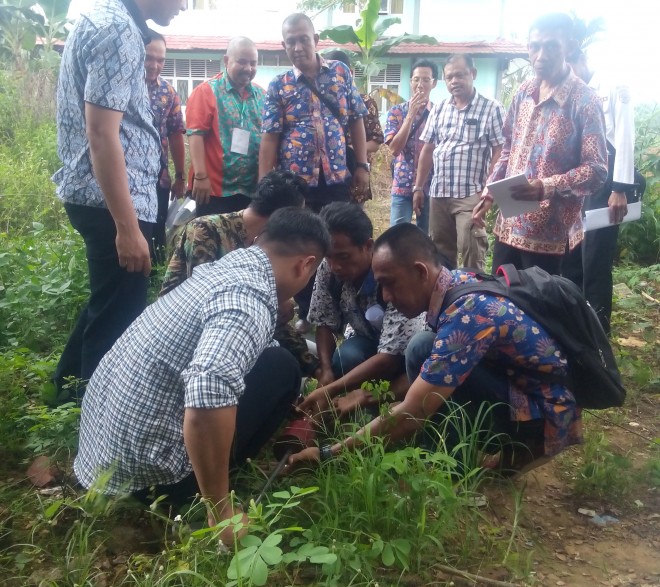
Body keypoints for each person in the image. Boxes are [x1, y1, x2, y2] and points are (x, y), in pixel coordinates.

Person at [74, 207, 330, 542]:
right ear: (306, 264)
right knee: (282, 368)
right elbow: (208, 391)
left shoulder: (222, 270)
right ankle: (200, 494)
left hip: (102, 462)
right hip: (153, 480)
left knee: (269, 358)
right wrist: (220, 510)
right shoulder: (248, 296)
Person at [289, 224, 582, 473]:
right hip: (527, 391)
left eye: (390, 284)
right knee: (424, 350)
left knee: (421, 351)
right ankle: (475, 445)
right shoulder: (457, 282)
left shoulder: (467, 315)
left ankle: (459, 462)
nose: (387, 297)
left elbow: (414, 408)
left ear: (419, 271)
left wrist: (329, 454)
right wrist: (365, 396)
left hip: (546, 415)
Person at [52, 0, 196, 396]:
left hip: (99, 194)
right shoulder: (118, 29)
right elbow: (101, 134)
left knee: (108, 300)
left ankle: (65, 389)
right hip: (110, 199)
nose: (184, 3)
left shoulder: (106, 17)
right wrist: (128, 227)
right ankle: (96, 429)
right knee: (119, 319)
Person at [259, 13, 370, 329]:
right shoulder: (279, 85)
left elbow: (356, 120)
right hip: (299, 184)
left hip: (337, 179)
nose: (297, 46)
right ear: (283, 45)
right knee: (303, 246)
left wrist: (362, 166)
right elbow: (269, 139)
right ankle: (310, 313)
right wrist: (265, 190)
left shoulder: (339, 73)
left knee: (341, 242)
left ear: (315, 39)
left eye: (303, 39)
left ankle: (349, 310)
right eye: (290, 41)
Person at [474, 13, 607, 274]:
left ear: (568, 47)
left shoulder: (585, 101)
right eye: (535, 46)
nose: (541, 55)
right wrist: (490, 192)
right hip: (509, 228)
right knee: (504, 302)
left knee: (543, 311)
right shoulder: (524, 92)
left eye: (551, 46)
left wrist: (545, 187)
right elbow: (509, 149)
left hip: (553, 239)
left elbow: (596, 170)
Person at [159, 170, 318, 376]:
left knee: (300, 362)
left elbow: (270, 317)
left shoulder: (266, 244)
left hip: (233, 333)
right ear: (283, 214)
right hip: (188, 342)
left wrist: (314, 367)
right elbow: (207, 310)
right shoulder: (205, 230)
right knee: (280, 366)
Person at [299, 203, 424, 419]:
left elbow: (391, 356)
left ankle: (385, 397)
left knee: (411, 363)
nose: (335, 266)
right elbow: (324, 321)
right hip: (367, 341)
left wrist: (332, 388)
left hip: (407, 352)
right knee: (344, 359)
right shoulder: (329, 269)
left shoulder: (390, 275)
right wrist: (327, 370)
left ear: (368, 246)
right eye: (328, 257)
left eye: (343, 257)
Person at [562, 48, 636, 333]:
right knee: (571, 255)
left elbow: (625, 136)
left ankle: (598, 333)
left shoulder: (615, 86)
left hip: (607, 179)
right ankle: (575, 327)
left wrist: (620, 188)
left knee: (594, 259)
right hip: (578, 179)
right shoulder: (573, 91)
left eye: (570, 67)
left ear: (579, 58)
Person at [413, 54, 504, 270]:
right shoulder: (439, 109)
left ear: (473, 74)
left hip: (470, 194)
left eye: (460, 75)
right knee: (440, 255)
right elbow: (427, 149)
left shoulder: (491, 108)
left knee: (472, 250)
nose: (454, 81)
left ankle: (473, 297)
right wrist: (418, 187)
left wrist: (489, 190)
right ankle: (446, 299)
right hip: (439, 194)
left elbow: (500, 151)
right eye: (449, 77)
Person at [187, 36, 264, 216]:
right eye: (242, 62)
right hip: (212, 189)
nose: (248, 68)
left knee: (244, 242)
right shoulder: (206, 91)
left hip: (250, 190)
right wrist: (200, 176)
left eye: (253, 63)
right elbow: (195, 135)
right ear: (226, 61)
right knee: (212, 240)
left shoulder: (262, 96)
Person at [144, 30, 186, 258]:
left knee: (156, 231)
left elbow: (176, 133)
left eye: (160, 60)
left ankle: (154, 283)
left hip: (157, 176)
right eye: (148, 58)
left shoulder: (168, 92)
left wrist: (180, 177)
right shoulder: (121, 88)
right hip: (123, 176)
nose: (154, 65)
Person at [384, 59, 439, 232]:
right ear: (410, 81)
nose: (420, 85)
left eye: (425, 80)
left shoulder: (440, 113)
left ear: (434, 83)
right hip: (402, 183)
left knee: (427, 240)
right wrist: (410, 115)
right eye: (416, 79)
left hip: (431, 185)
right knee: (398, 236)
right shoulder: (396, 112)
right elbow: (393, 150)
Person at [331, 50, 384, 202]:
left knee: (350, 221)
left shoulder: (365, 102)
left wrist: (351, 151)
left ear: (350, 73)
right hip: (326, 179)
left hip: (355, 172)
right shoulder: (317, 103)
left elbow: (376, 142)